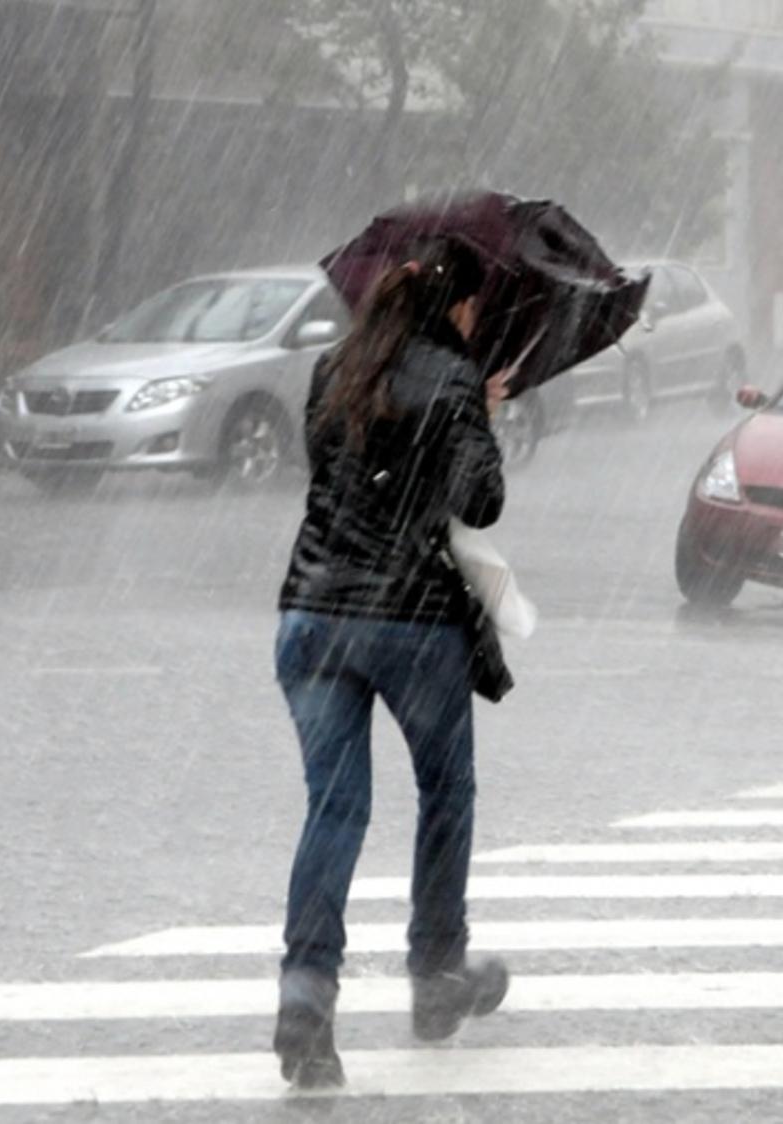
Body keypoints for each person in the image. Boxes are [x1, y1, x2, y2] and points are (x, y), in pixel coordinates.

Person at [272, 237, 512, 1089]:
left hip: (309, 616)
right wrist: (477, 411)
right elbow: (478, 500)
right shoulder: (453, 381)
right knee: (446, 792)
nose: (476, 320)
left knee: (333, 812)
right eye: (476, 308)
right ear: (457, 307)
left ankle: (305, 996)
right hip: (410, 623)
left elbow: (338, 476)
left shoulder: (332, 368)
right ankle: (437, 976)